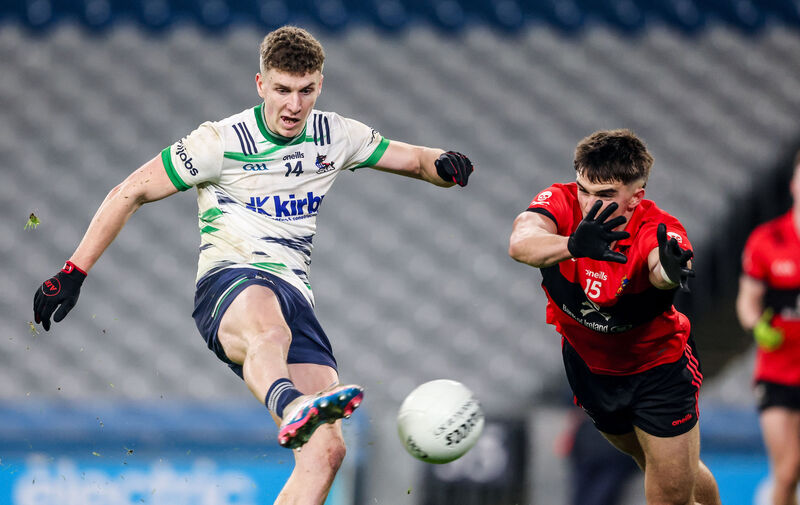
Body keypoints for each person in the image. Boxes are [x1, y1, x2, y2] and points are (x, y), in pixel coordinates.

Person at [32, 26, 474, 505]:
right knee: (271, 332)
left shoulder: (336, 135)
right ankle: (290, 405)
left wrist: (446, 165)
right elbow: (131, 191)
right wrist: (73, 271)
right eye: (282, 90)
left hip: (295, 295)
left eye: (305, 91)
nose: (293, 105)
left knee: (326, 452)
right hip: (232, 281)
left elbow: (415, 161)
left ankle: (300, 411)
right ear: (260, 85)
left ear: (320, 84)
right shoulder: (218, 142)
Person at [508, 129, 720, 505]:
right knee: (647, 458)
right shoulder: (559, 201)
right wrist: (572, 244)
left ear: (636, 197)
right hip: (589, 370)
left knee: (671, 497)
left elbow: (661, 265)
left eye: (605, 195)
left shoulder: (659, 228)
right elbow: (521, 242)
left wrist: (668, 269)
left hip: (657, 373)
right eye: (584, 190)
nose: (590, 203)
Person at [737, 154, 800, 505]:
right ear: (793, 184)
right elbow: (747, 301)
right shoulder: (768, 239)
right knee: (788, 470)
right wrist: (756, 324)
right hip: (776, 372)